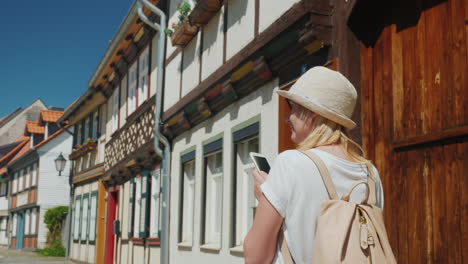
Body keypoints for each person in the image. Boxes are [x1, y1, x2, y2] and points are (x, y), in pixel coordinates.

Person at [243, 66, 384, 264]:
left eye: (293, 109)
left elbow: (256, 258)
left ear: (313, 114)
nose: (287, 117)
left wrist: (264, 198)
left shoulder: (290, 163)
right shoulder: (370, 174)